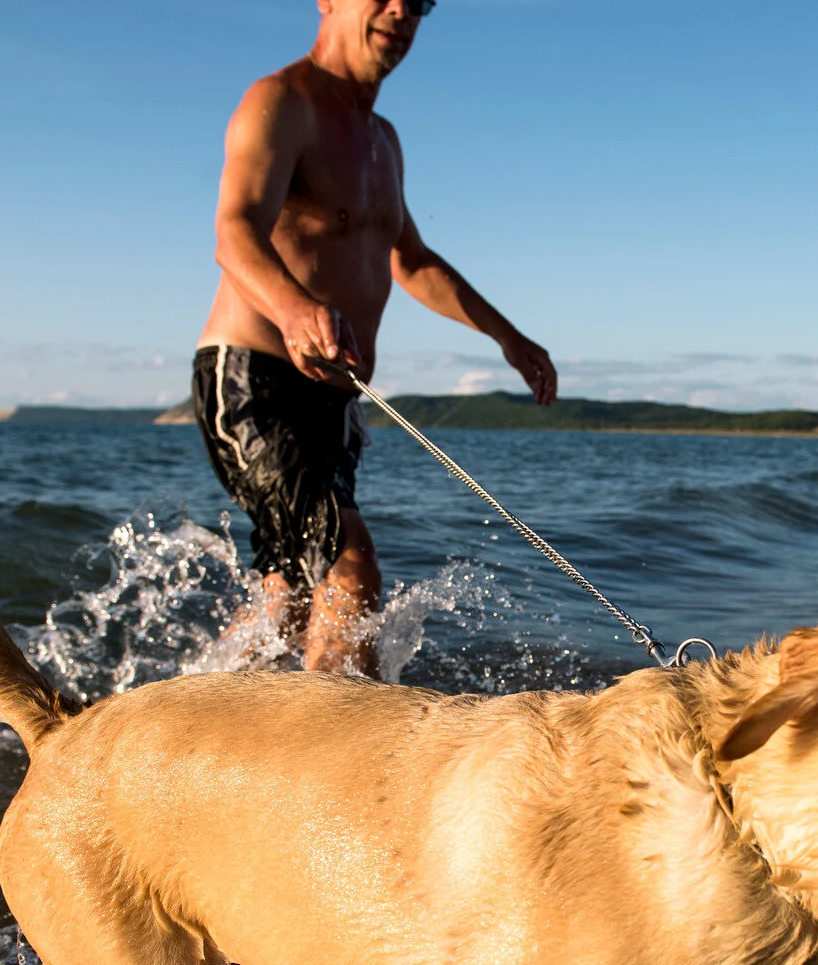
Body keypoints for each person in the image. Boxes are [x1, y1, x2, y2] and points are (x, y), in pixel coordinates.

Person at [194, 0, 557, 676]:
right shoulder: (281, 102)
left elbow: (411, 261)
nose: (401, 10)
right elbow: (233, 230)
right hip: (255, 377)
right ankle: (336, 771)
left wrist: (508, 337)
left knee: (291, 601)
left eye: (419, 1)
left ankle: (188, 723)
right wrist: (294, 306)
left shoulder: (382, 140)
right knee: (350, 569)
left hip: (331, 402)